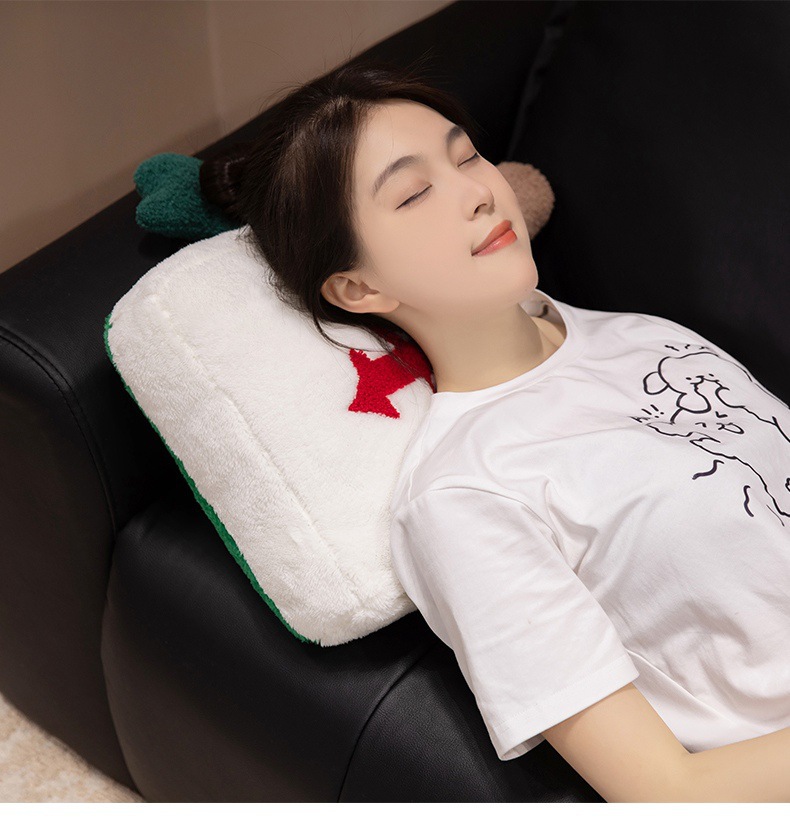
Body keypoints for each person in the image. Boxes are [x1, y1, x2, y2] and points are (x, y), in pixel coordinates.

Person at [200, 60, 790, 802]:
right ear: (358, 287)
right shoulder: (463, 495)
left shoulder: (642, 336)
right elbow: (667, 793)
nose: (478, 192)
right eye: (414, 193)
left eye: (467, 156)